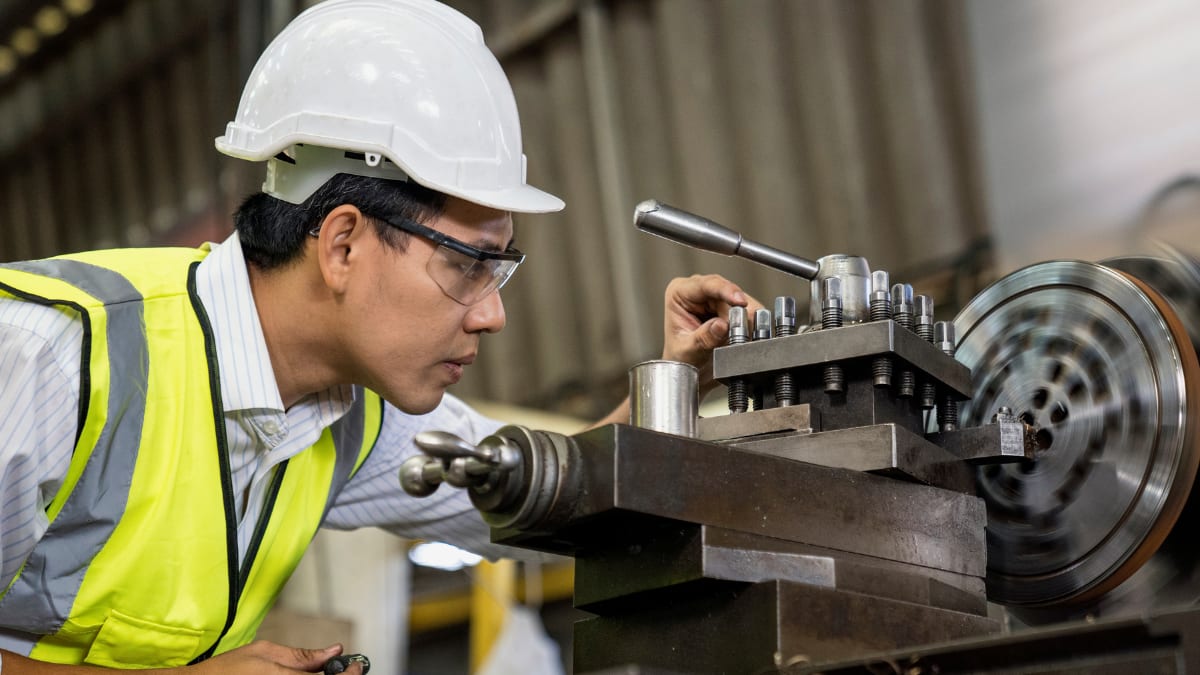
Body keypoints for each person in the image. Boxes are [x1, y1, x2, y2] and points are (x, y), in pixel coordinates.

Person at [0, 1, 756, 672]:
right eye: (466, 265)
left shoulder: (356, 420)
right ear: (342, 245)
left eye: (500, 268)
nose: (492, 314)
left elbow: (551, 505)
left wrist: (675, 379)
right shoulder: (55, 356)